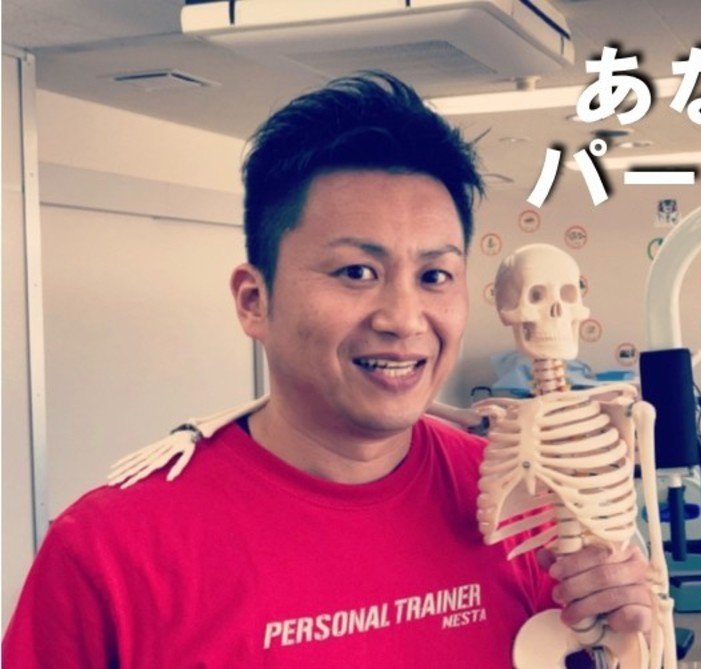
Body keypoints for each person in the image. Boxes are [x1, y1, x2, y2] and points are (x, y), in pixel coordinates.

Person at [2, 72, 654, 667]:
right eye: (356, 271)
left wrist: (622, 626)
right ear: (254, 300)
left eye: (434, 275)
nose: (404, 318)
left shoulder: (522, 506)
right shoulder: (108, 552)